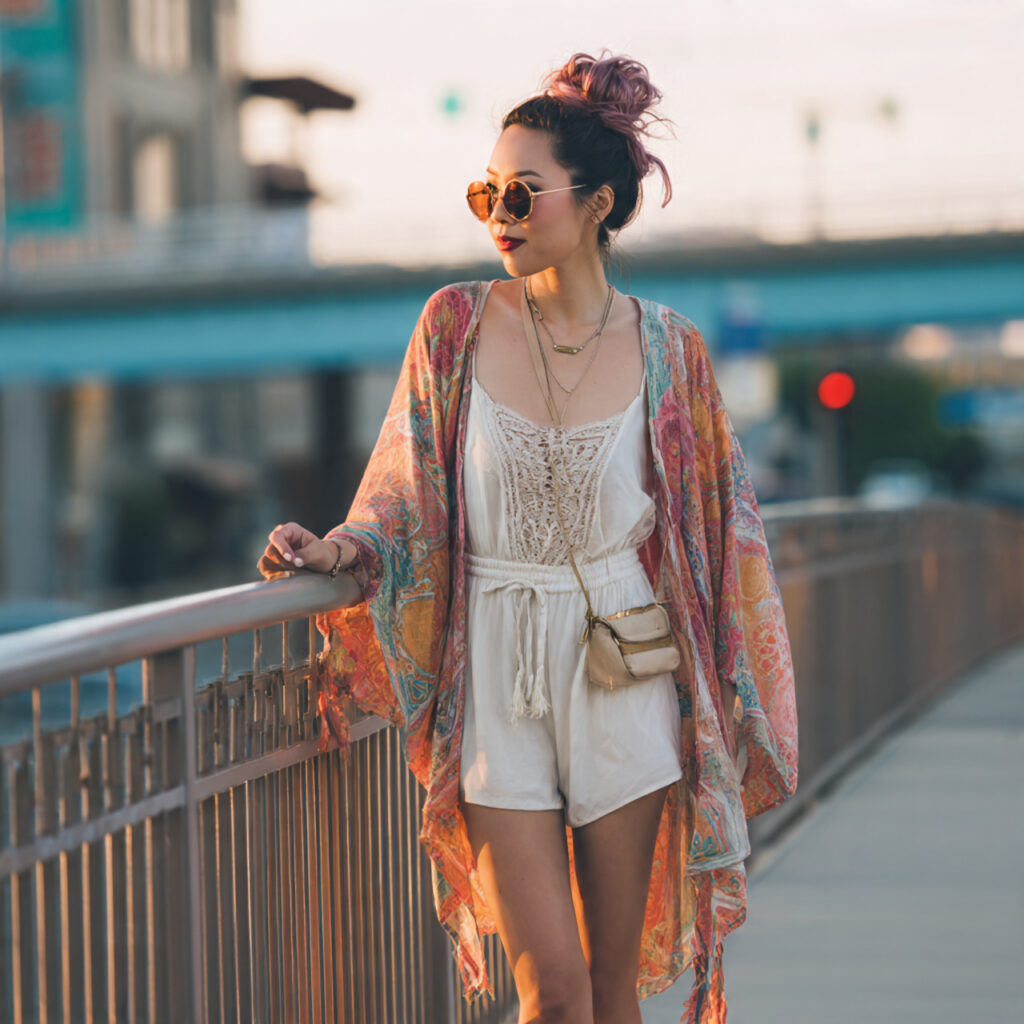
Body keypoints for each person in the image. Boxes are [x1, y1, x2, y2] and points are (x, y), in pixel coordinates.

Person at [259, 51, 798, 1024]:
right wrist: (337, 550)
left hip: (625, 672)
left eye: (521, 191)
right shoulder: (454, 326)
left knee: (607, 989)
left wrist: (726, 700)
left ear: (596, 202)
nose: (498, 212)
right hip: (498, 673)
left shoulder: (671, 349)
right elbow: (401, 492)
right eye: (484, 191)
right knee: (549, 991)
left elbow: (727, 535)